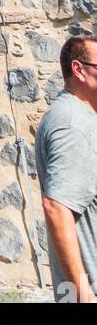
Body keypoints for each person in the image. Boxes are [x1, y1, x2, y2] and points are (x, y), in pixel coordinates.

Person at [36, 33, 97, 303]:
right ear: (78, 69)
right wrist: (84, 295)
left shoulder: (78, 117)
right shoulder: (73, 123)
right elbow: (57, 208)